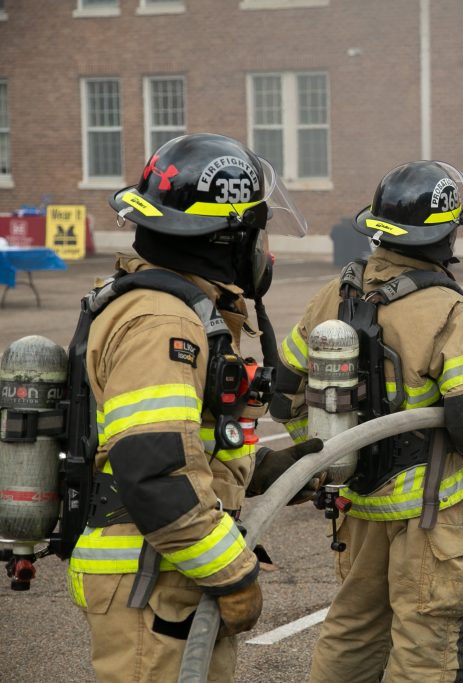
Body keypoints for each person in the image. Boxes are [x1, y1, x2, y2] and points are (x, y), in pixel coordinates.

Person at [67, 133, 313, 682]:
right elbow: (155, 474)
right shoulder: (165, 323)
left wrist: (273, 471)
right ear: (226, 235)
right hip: (150, 582)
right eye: (254, 231)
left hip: (163, 576)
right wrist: (234, 574)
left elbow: (176, 441)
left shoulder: (174, 307)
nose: (260, 248)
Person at [271, 161, 463, 683]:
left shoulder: (334, 296)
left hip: (358, 508)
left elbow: (284, 394)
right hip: (431, 520)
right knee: (425, 647)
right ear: (446, 232)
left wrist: (327, 458)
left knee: (353, 633)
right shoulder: (447, 310)